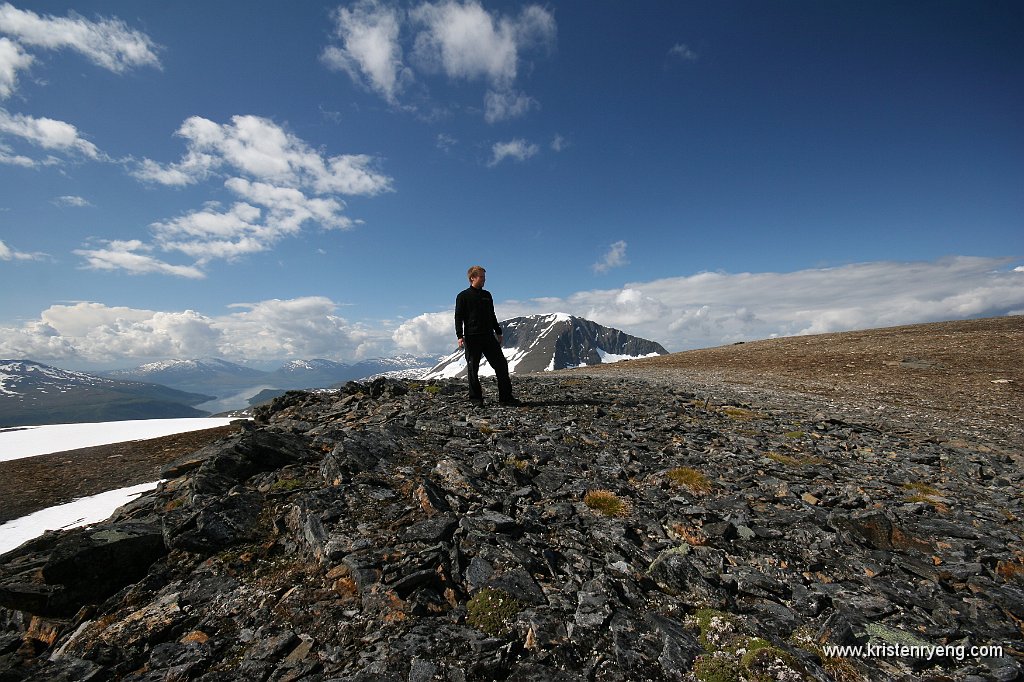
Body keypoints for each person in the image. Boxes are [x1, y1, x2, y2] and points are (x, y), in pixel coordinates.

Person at [455, 265, 519, 406]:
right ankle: (476, 399)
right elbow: (458, 317)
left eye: (484, 277)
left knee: (501, 365)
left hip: (488, 336)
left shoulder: (487, 295)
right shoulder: (463, 296)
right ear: (473, 278)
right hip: (472, 337)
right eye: (482, 277)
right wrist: (460, 335)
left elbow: (492, 314)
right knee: (473, 368)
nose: (484, 280)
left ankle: (506, 397)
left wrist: (498, 331)